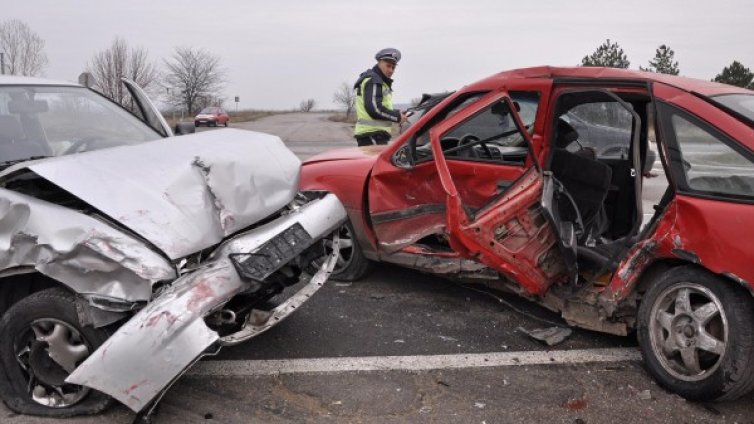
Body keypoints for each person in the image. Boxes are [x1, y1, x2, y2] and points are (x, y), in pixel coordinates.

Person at [353, 48, 408, 146]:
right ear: (379, 63)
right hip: (372, 134)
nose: (391, 70)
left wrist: (396, 112)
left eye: (393, 67)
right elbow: (375, 109)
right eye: (388, 66)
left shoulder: (380, 81)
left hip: (375, 135)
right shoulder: (374, 80)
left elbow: (380, 106)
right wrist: (397, 117)